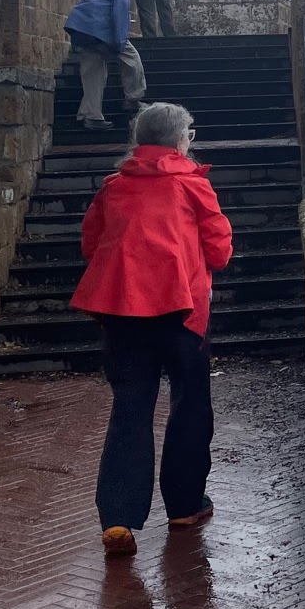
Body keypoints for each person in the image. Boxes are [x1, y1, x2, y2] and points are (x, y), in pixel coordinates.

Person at [70, 102, 233, 556]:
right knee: (190, 402)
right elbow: (219, 251)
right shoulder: (193, 186)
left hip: (123, 310)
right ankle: (183, 505)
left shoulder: (114, 188)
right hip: (181, 311)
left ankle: (118, 518)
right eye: (189, 134)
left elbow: (91, 243)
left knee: (130, 407)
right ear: (180, 140)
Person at [64, 0, 147, 129]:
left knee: (92, 74)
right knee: (133, 61)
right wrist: (118, 45)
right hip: (103, 33)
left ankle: (89, 115)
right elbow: (119, 19)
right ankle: (132, 99)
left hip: (82, 33)